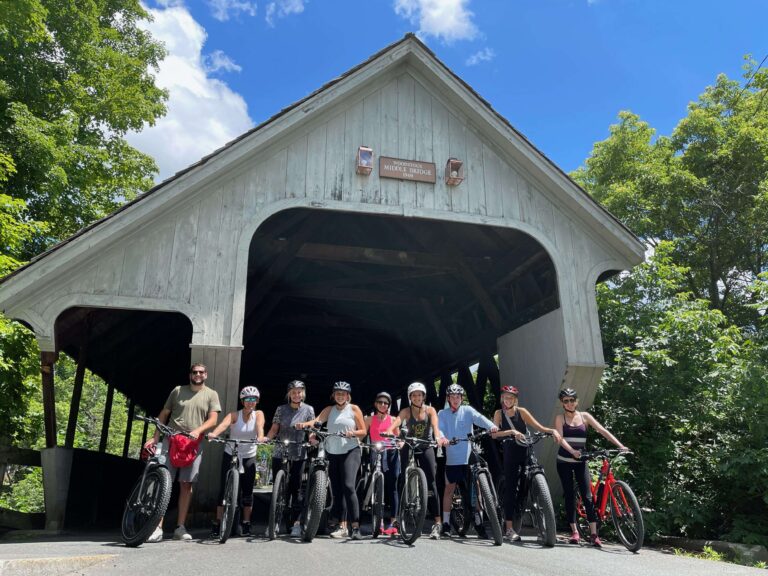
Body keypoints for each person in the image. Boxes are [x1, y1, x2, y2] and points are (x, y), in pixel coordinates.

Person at [144, 363, 221, 542]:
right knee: (163, 481)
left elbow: (213, 419)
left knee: (186, 484)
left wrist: (198, 430)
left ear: (206, 375)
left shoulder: (211, 394)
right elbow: (164, 414)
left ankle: (180, 527)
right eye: (194, 372)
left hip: (193, 443)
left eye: (201, 372)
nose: (198, 375)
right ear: (190, 375)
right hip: (171, 439)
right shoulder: (177, 391)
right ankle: (157, 526)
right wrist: (155, 437)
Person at [554, 388, 628, 548]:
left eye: (572, 400)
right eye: (566, 401)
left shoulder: (585, 417)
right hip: (564, 461)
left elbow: (602, 430)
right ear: (562, 403)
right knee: (569, 495)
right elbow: (560, 438)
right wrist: (572, 451)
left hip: (581, 461)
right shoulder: (560, 418)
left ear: (577, 401)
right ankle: (574, 531)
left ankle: (594, 534)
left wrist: (620, 445)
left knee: (587, 496)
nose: (569, 403)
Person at [491, 385, 561, 542]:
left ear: (515, 400)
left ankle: (543, 525)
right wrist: (511, 432)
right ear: (502, 398)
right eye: (505, 397)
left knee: (534, 479)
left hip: (526, 450)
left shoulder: (521, 412)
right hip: (510, 454)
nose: (508, 400)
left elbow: (539, 427)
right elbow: (494, 435)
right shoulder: (499, 413)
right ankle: (509, 529)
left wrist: (552, 431)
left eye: (511, 398)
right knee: (510, 489)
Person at [298, 381, 367, 540]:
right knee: (337, 490)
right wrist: (303, 425)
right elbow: (316, 422)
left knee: (348, 486)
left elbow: (363, 431)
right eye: (337, 393)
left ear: (348, 395)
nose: (340, 396)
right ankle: (340, 525)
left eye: (343, 393)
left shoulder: (354, 409)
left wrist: (353, 433)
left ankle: (355, 527)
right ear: (334, 395)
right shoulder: (329, 410)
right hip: (332, 451)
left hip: (351, 450)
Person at [438, 383, 497, 539]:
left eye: (458, 397)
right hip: (452, 458)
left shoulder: (468, 410)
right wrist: (443, 438)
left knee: (477, 490)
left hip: (468, 456)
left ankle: (479, 524)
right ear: (448, 398)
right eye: (452, 397)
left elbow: (480, 418)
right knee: (449, 489)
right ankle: (445, 524)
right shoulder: (442, 414)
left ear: (461, 398)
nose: (455, 399)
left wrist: (491, 426)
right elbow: (440, 429)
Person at [388, 382, 446, 539]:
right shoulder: (406, 411)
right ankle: (400, 517)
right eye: (414, 395)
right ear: (410, 397)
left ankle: (437, 523)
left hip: (426, 445)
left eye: (420, 395)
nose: (417, 397)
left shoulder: (430, 410)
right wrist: (389, 430)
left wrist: (438, 437)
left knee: (432, 481)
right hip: (409, 443)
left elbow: (435, 426)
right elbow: (397, 422)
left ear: (424, 396)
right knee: (403, 477)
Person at [207, 385, 265, 538]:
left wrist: (260, 437)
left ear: (257, 401)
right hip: (231, 453)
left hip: (249, 455)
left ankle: (246, 523)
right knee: (223, 488)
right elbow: (224, 425)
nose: (250, 402)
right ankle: (218, 522)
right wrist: (214, 433)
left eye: (253, 399)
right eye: (247, 399)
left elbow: (260, 427)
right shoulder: (234, 414)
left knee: (247, 491)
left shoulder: (258, 414)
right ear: (242, 401)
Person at [265, 379, 315, 537]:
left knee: (296, 489)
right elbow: (274, 428)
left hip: (299, 451)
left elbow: (312, 429)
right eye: (293, 392)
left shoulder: (309, 410)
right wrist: (267, 439)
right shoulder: (281, 409)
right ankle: (274, 524)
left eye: (299, 392)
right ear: (289, 394)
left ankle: (296, 524)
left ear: (303, 393)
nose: (296, 394)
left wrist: (312, 438)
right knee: (278, 489)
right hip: (281, 450)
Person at [364, 391, 400, 536]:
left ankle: (393, 522)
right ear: (375, 404)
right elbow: (362, 434)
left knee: (393, 486)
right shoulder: (369, 419)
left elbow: (398, 436)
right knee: (377, 484)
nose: (383, 405)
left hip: (391, 453)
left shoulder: (393, 420)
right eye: (380, 402)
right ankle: (378, 521)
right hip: (376, 451)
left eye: (386, 403)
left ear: (389, 405)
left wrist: (401, 443)